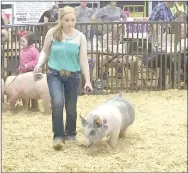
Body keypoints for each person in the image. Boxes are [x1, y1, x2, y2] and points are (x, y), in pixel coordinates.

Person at [34, 6, 93, 150]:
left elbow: (83, 60)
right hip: (55, 74)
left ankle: (71, 133)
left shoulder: (80, 37)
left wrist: (88, 80)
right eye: (67, 20)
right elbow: (45, 51)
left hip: (74, 75)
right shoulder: (52, 33)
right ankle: (58, 137)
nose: (70, 23)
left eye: (73, 20)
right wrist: (39, 63)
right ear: (61, 20)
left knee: (71, 107)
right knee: (58, 103)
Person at [17, 31, 40, 110]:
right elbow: (21, 60)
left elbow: (37, 61)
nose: (22, 43)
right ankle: (25, 107)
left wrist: (29, 64)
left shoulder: (34, 50)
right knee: (24, 90)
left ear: (29, 42)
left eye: (23, 41)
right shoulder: (22, 50)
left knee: (32, 90)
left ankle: (34, 107)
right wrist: (20, 66)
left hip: (31, 73)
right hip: (23, 73)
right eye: (21, 41)